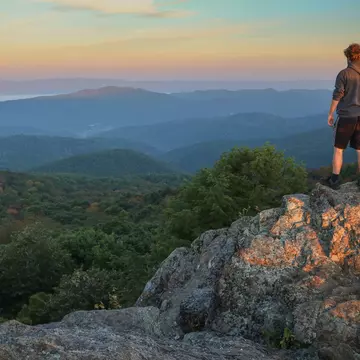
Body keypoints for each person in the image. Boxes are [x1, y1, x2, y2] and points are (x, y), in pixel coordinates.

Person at [326, 43, 360, 190]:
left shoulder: (344, 74)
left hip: (346, 116)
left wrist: (330, 113)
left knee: (339, 149)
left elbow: (337, 94)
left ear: (348, 57)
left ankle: (334, 180)